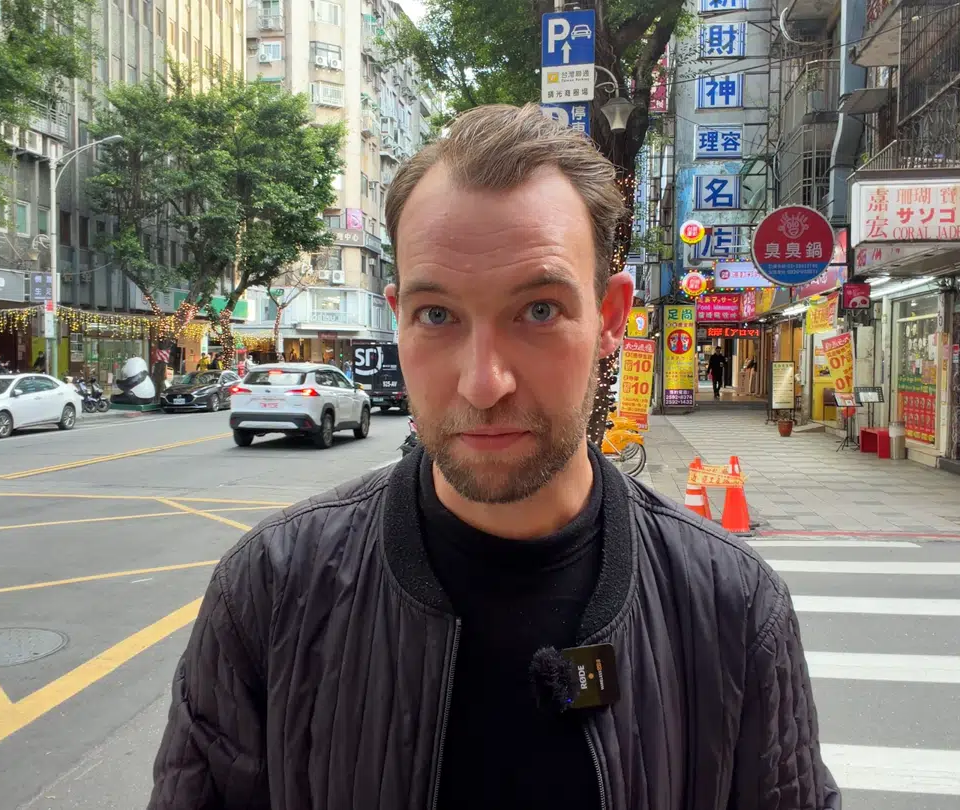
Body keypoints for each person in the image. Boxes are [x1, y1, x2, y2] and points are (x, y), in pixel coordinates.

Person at [147, 104, 838, 809]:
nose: (483, 383)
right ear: (398, 317)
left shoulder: (732, 608)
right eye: (437, 316)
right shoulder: (271, 590)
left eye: (539, 310)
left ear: (609, 318)